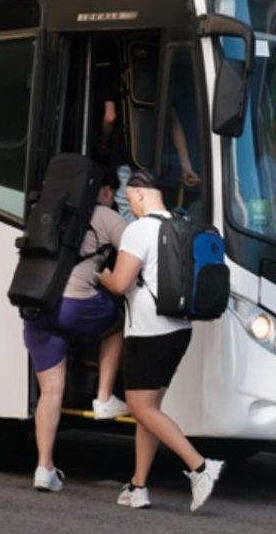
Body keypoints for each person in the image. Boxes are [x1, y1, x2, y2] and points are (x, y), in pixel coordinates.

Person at [98, 170, 224, 512]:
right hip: (179, 330)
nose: (130, 206)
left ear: (138, 195)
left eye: (129, 199)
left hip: (148, 333)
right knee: (150, 411)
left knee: (140, 408)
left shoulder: (139, 230)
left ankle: (200, 467)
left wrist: (102, 275)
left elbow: (121, 283)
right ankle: (138, 486)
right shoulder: (182, 223)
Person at [22, 171, 129, 493]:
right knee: (116, 323)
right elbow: (137, 253)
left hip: (36, 306)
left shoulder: (45, 210)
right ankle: (104, 397)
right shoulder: (107, 215)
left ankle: (44, 467)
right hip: (75, 306)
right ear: (105, 190)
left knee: (51, 392)